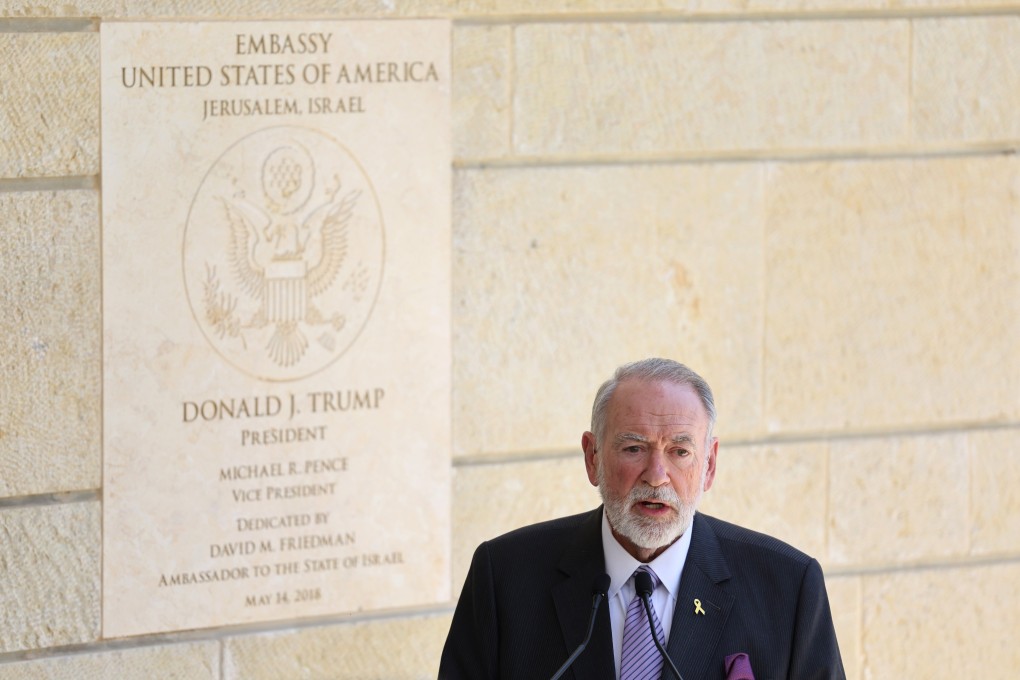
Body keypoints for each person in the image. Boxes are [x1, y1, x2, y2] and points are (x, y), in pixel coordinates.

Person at [439, 358, 845, 680]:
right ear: (592, 456)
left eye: (680, 452)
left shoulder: (788, 588)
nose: (656, 475)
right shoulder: (505, 578)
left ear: (709, 464)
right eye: (633, 448)